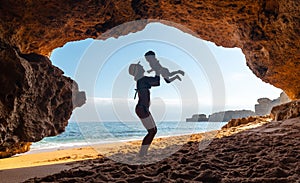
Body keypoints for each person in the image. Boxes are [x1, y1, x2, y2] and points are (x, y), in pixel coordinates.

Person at [128, 61, 160, 157]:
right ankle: (142, 154)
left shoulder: (141, 80)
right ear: (138, 70)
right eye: (140, 66)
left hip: (142, 108)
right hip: (142, 109)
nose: (142, 66)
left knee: (153, 131)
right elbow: (157, 82)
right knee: (152, 131)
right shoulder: (142, 79)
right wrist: (157, 70)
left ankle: (143, 153)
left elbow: (155, 81)